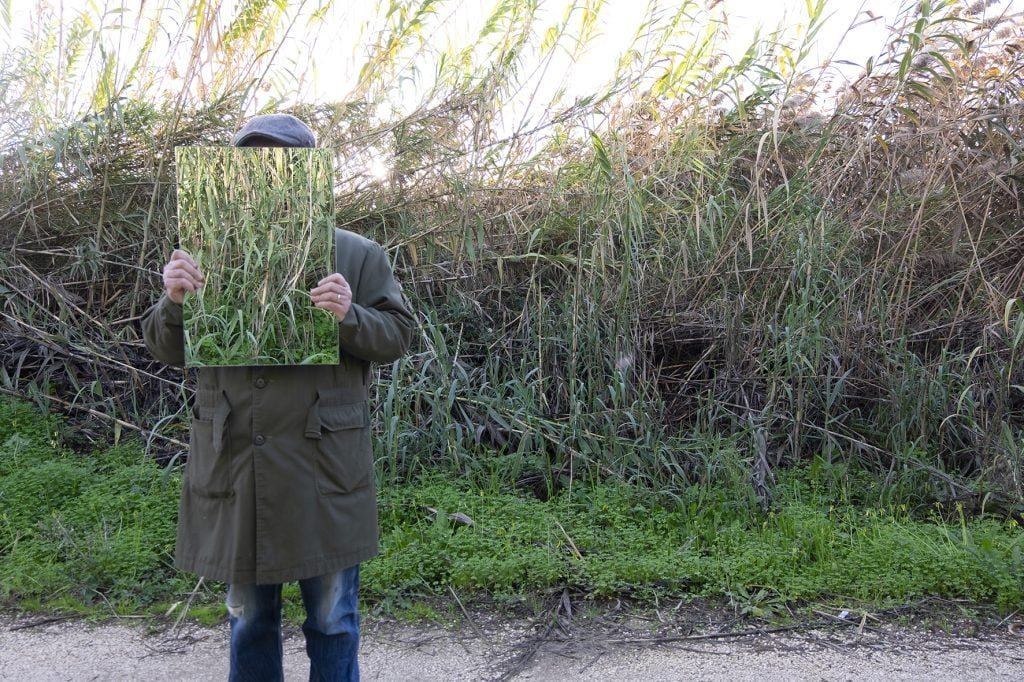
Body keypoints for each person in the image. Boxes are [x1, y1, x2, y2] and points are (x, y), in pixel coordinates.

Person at [141, 113, 415, 681]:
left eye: (284, 161)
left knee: (333, 621)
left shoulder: (356, 254)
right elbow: (163, 347)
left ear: (309, 172)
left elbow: (397, 337)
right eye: (250, 161)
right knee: (249, 622)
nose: (267, 172)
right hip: (240, 463)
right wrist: (173, 301)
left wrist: (349, 315)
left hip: (323, 467)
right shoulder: (204, 249)